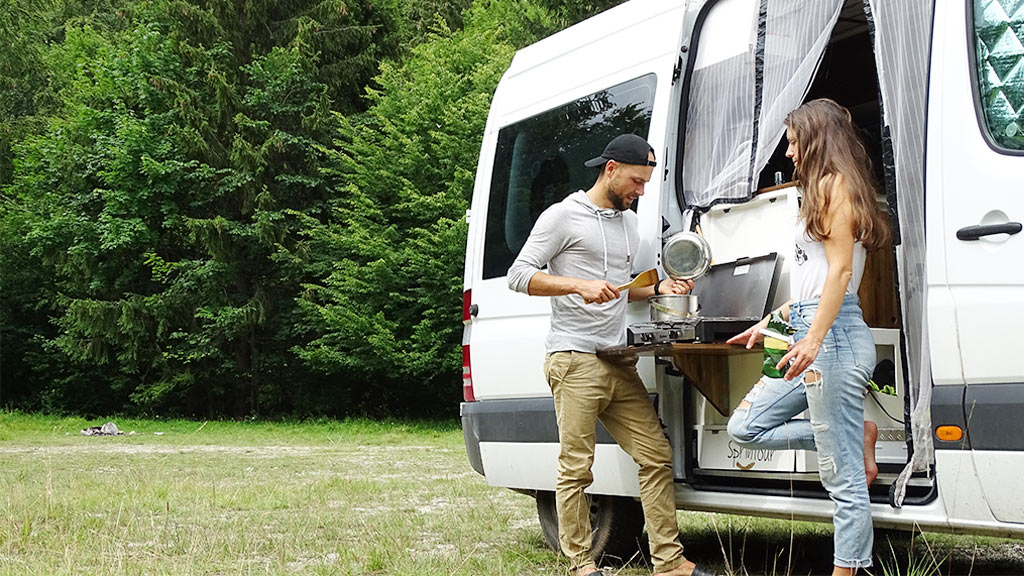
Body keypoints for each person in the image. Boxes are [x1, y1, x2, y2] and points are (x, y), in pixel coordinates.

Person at [508, 134, 716, 576]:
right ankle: (582, 564)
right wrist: (576, 285)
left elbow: (623, 290)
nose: (640, 191)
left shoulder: (628, 225)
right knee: (577, 468)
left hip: (617, 359)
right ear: (610, 170)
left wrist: (658, 287)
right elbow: (519, 275)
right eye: (636, 182)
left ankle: (669, 562)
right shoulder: (562, 217)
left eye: (644, 183)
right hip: (574, 358)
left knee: (656, 455)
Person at [725, 99, 889, 575]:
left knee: (843, 478)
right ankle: (853, 435)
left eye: (795, 141)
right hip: (804, 327)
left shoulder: (838, 187)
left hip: (830, 337)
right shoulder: (815, 193)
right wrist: (771, 322)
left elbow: (840, 274)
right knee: (745, 427)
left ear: (816, 138)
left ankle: (847, 568)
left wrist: (813, 339)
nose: (790, 152)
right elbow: (813, 278)